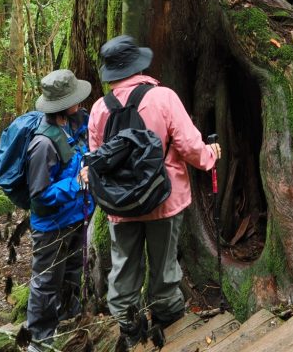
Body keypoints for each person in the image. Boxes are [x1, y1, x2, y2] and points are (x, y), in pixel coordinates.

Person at [84, 35, 220, 351]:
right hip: (165, 200)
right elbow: (189, 146)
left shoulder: (99, 109)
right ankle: (170, 329)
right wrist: (211, 155)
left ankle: (131, 335)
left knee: (124, 270)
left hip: (120, 206)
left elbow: (97, 157)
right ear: (139, 65)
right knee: (164, 269)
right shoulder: (163, 98)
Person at [25, 69, 96, 352]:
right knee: (45, 283)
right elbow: (39, 196)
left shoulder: (76, 123)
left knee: (71, 275)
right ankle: (39, 343)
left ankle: (68, 325)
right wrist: (77, 183)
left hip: (76, 217)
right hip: (51, 227)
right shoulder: (42, 144)